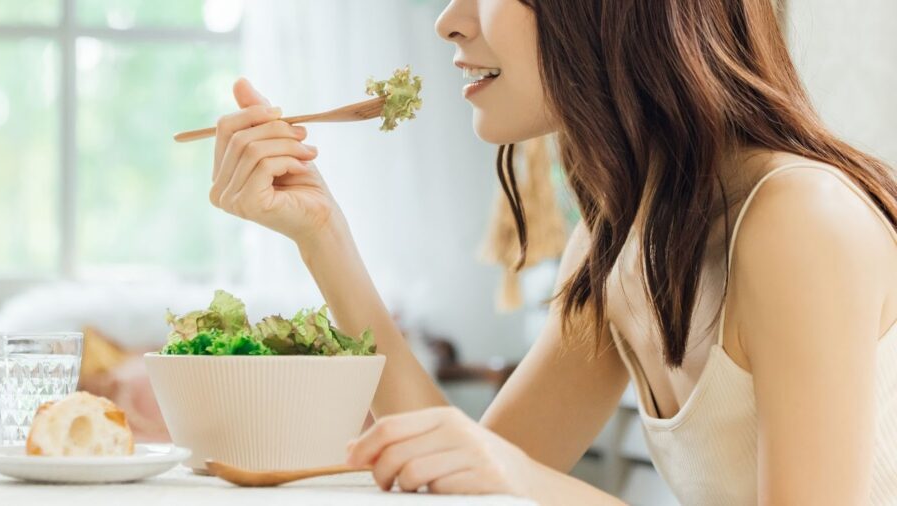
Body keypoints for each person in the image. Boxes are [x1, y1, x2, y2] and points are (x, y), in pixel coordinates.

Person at [204, 0, 897, 504]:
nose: (448, 18)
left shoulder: (801, 218)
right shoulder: (618, 238)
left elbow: (508, 472)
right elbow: (466, 472)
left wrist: (523, 481)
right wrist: (320, 232)